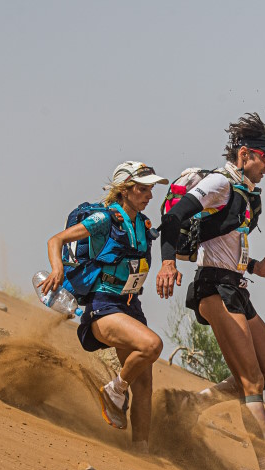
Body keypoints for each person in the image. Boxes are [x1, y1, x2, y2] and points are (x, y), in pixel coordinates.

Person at [156, 113, 265, 470]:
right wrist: (166, 262)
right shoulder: (218, 183)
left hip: (235, 287)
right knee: (251, 381)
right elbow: (173, 219)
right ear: (245, 154)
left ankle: (195, 405)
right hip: (213, 289)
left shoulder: (247, 195)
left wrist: (257, 268)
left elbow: (225, 248)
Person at [39, 161, 168, 450]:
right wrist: (57, 269)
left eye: (150, 189)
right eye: (142, 189)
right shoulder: (105, 219)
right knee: (151, 346)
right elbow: (55, 240)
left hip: (130, 304)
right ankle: (113, 390)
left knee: (145, 385)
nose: (149, 195)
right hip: (103, 305)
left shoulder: (141, 223)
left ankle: (141, 452)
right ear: (124, 190)